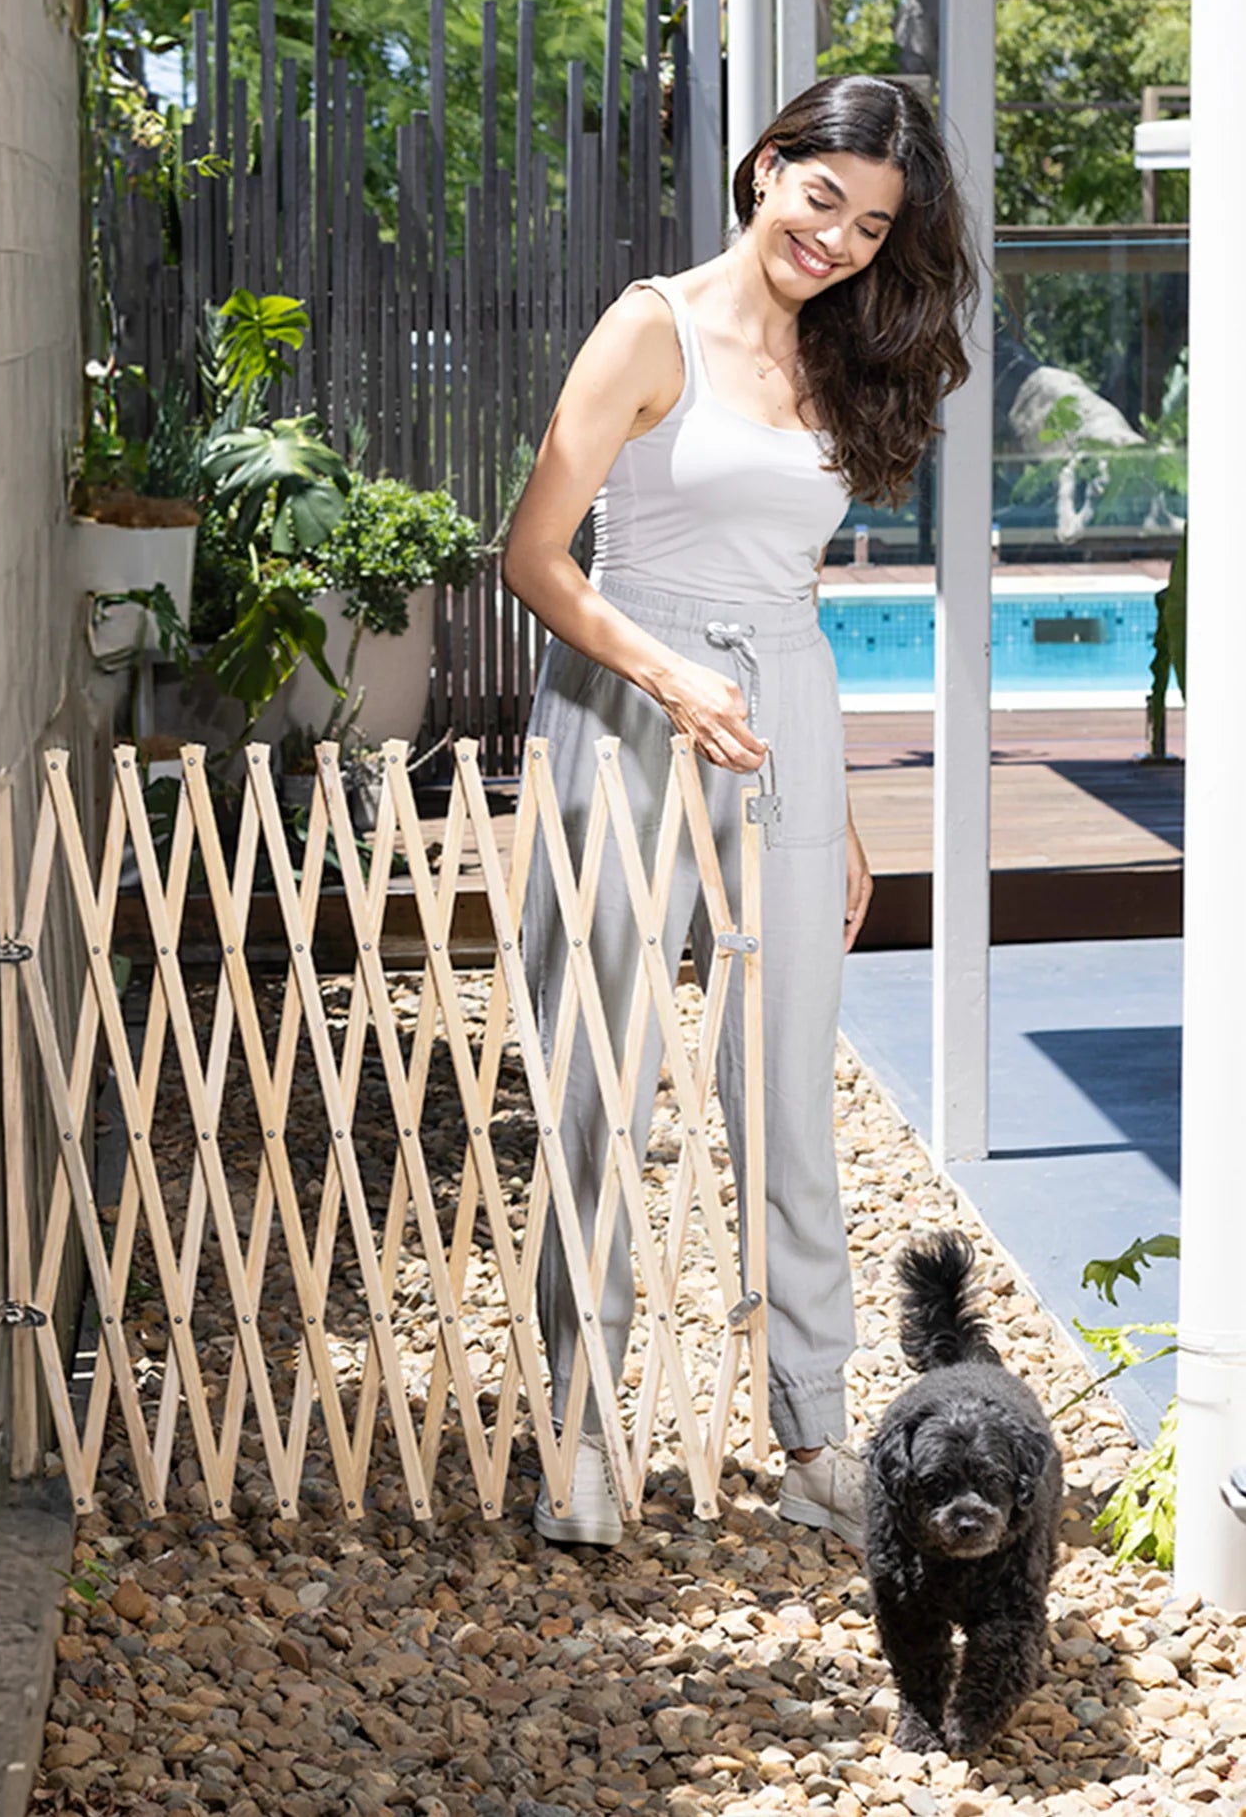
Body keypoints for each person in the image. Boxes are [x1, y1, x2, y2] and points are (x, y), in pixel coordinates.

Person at [500, 75, 976, 1550]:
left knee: (785, 1097)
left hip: (785, 714)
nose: (834, 239)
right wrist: (669, 682)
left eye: (871, 225)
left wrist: (824, 798)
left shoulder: (837, 357)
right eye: (818, 197)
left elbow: (789, 579)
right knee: (600, 1082)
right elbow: (531, 552)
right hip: (626, 700)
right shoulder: (652, 325)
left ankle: (813, 1432)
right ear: (764, 167)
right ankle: (577, 1431)